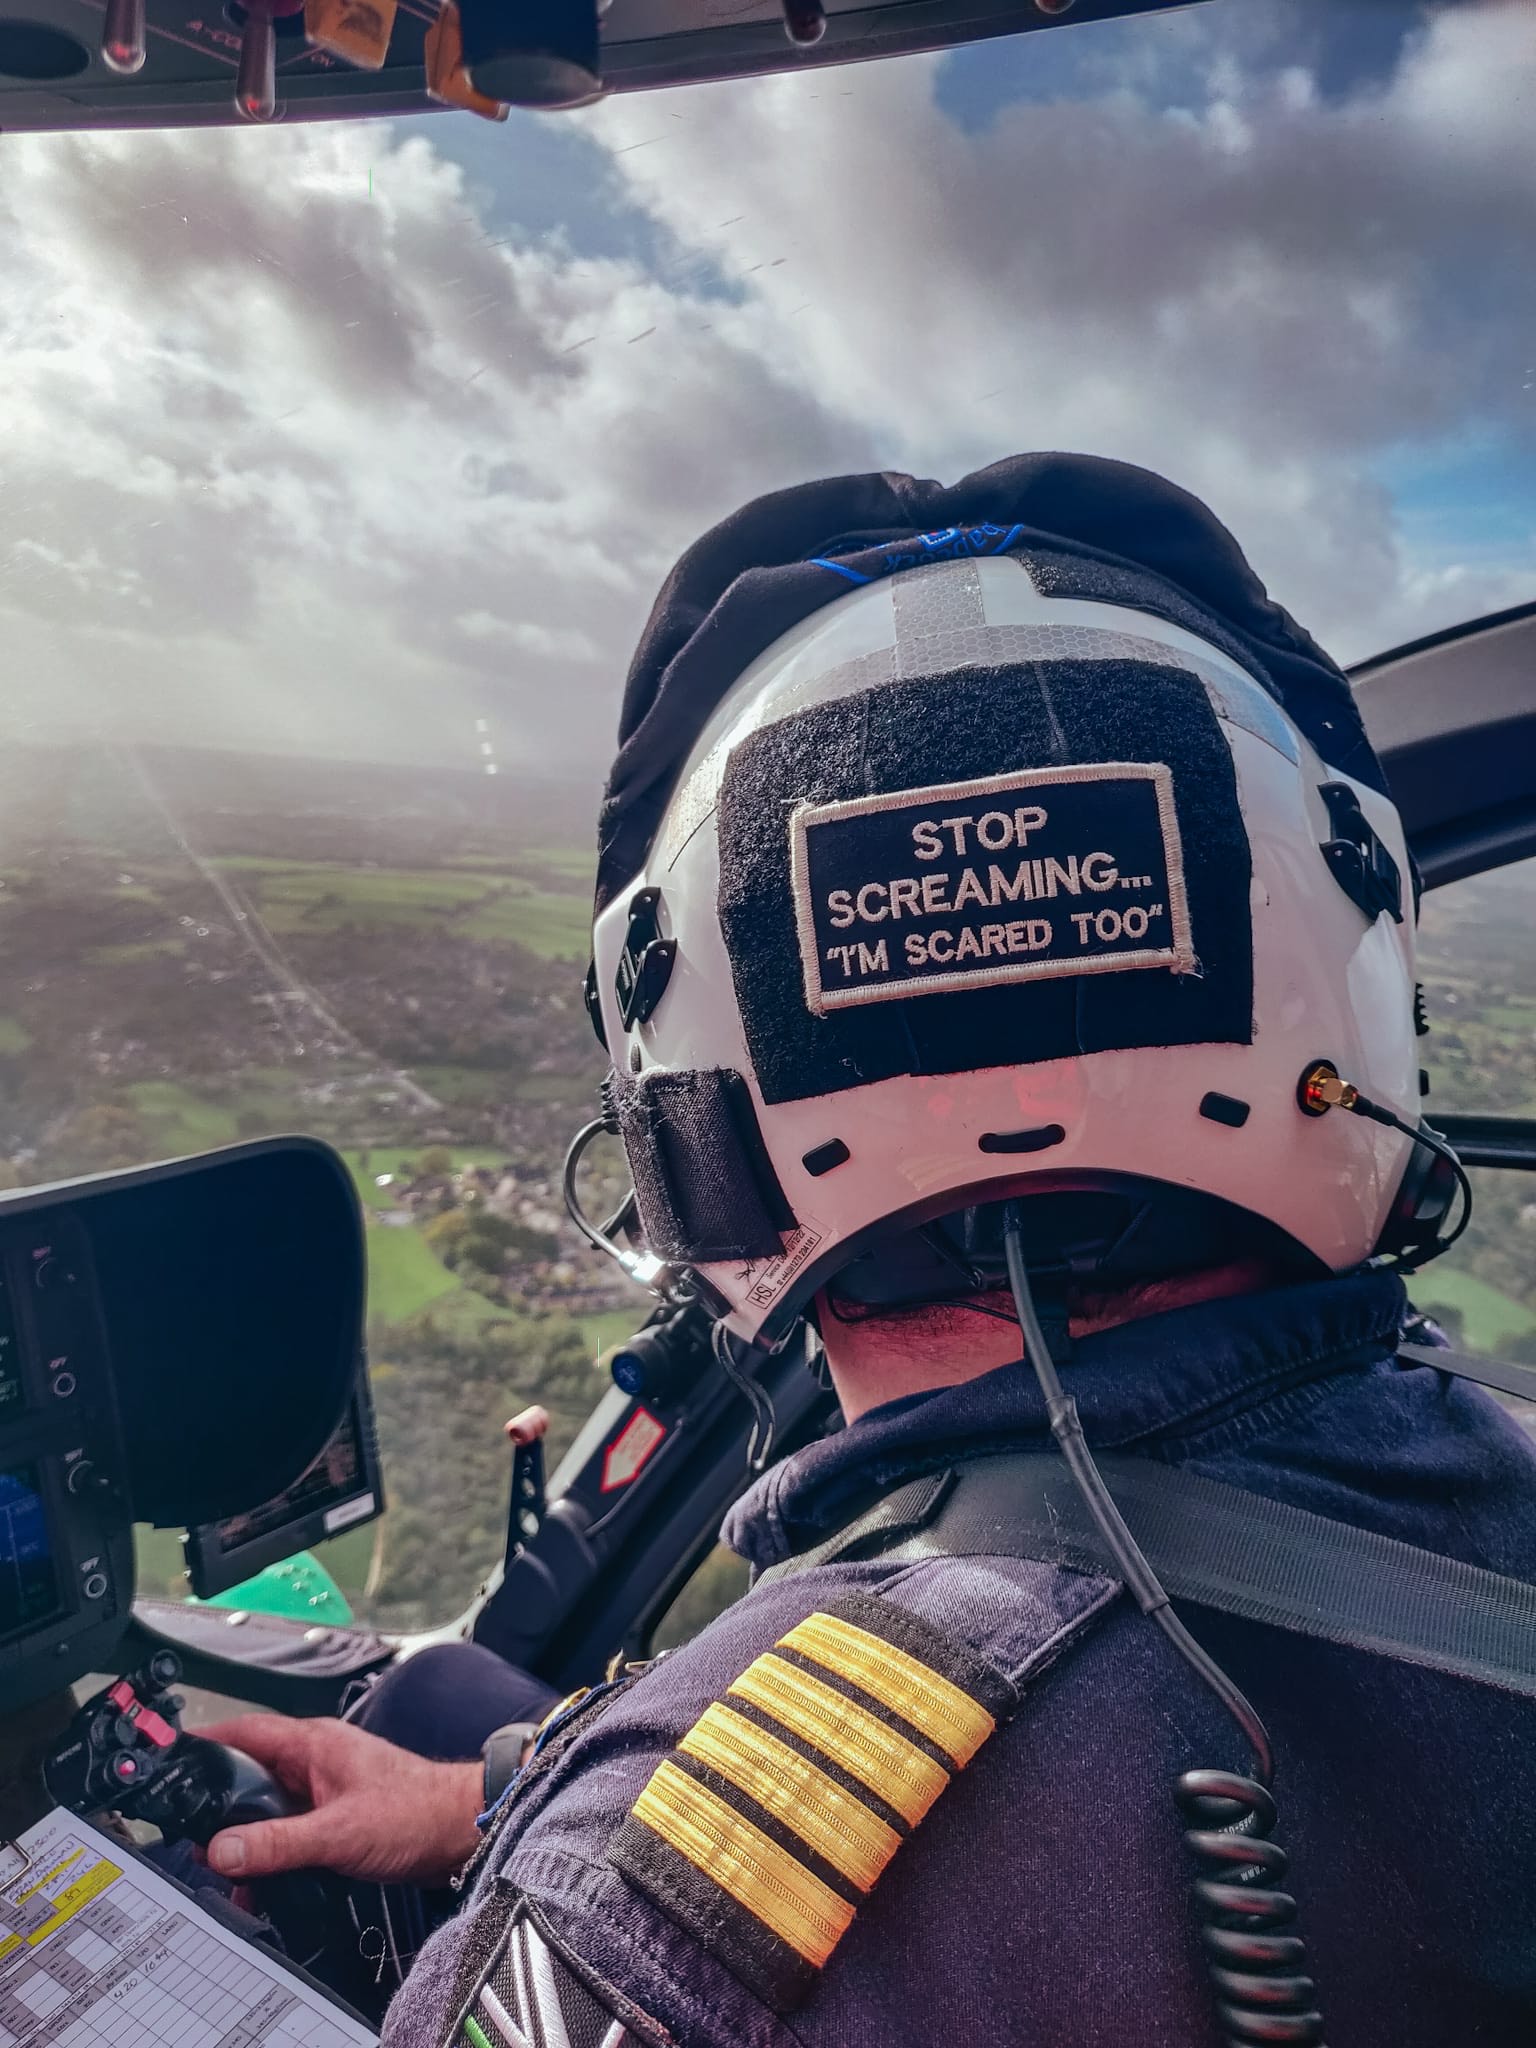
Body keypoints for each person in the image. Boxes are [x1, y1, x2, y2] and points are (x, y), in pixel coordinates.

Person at [204, 455, 1536, 2046]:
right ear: (1360, 994)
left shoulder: (632, 1928)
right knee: (445, 1704)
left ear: (690, 1123)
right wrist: (500, 1791)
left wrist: (592, 1850)